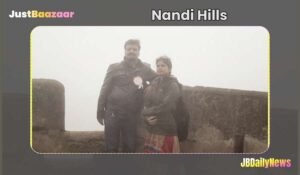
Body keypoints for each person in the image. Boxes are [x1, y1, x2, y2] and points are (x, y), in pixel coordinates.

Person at [97, 39, 156, 152]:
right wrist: (100, 111)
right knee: (111, 147)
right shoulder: (114, 67)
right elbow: (105, 89)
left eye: (134, 49)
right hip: (112, 113)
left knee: (129, 146)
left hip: (132, 115)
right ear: (124, 51)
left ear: (139, 52)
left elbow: (158, 79)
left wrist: (149, 87)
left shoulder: (145, 68)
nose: (131, 51)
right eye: (129, 49)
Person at [142, 56, 181, 153]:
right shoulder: (154, 83)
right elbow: (147, 102)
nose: (159, 68)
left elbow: (167, 105)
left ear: (169, 68)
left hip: (166, 128)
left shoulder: (173, 85)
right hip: (153, 128)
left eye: (163, 65)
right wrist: (146, 118)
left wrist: (146, 112)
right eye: (158, 65)